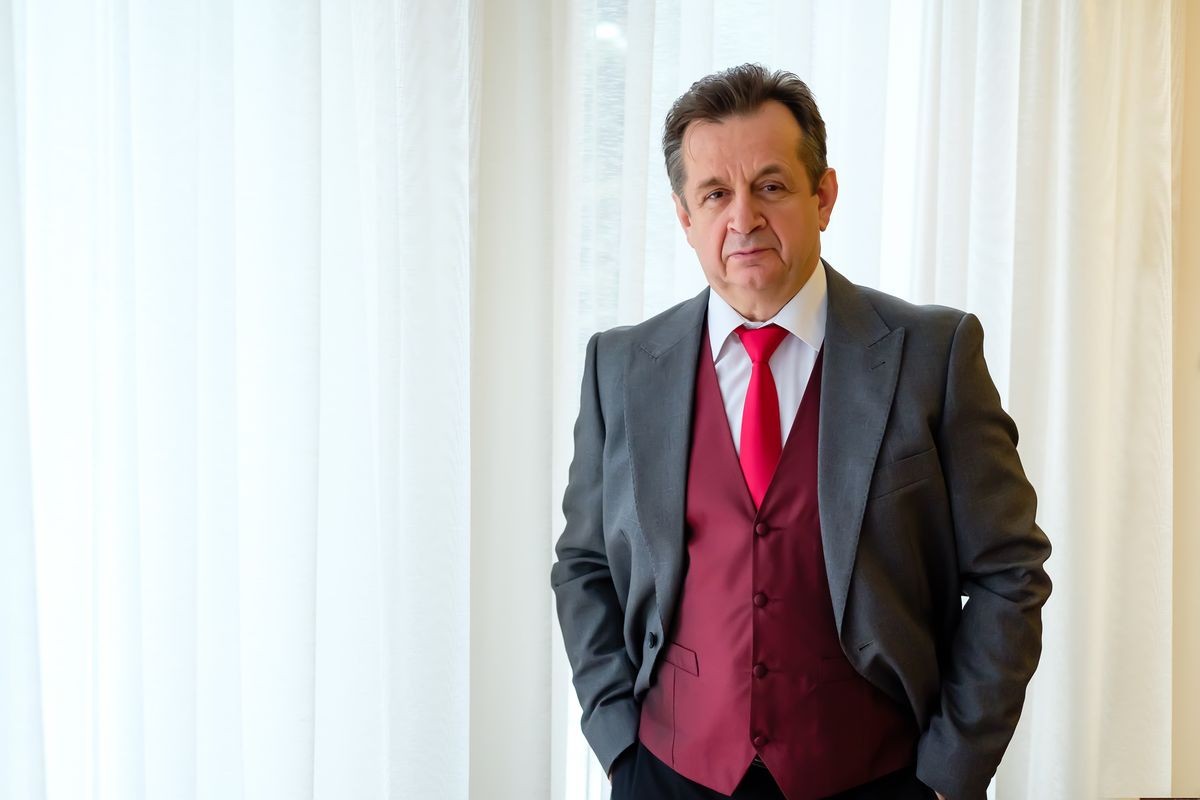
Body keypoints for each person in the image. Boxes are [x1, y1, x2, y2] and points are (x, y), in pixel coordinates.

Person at [550, 63, 1051, 800]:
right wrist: (619, 744)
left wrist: (949, 776)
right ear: (685, 218)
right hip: (668, 771)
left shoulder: (932, 356)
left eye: (772, 186)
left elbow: (1011, 572)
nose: (743, 218)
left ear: (824, 196)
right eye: (715, 194)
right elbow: (583, 564)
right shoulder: (620, 367)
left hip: (878, 776)